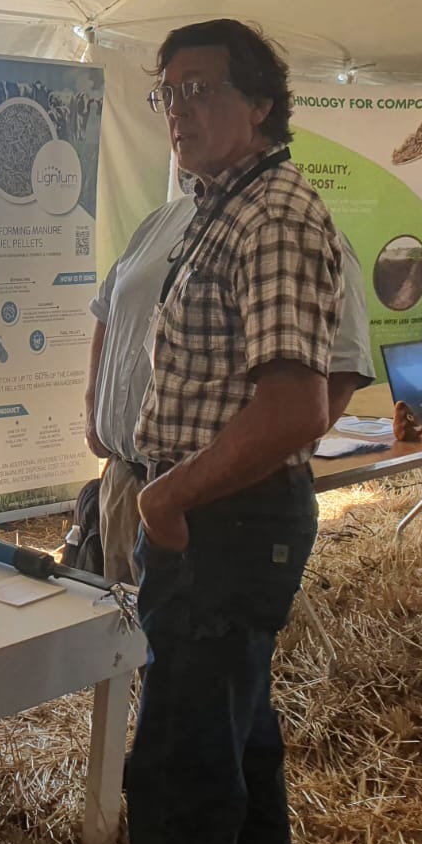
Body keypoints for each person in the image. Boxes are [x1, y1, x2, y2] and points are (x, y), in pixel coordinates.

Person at [55, 20, 344, 844]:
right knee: (236, 749)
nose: (179, 109)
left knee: (177, 770)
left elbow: (298, 404)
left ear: (261, 104)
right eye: (167, 92)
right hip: (211, 520)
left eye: (202, 89)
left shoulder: (274, 216)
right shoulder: (221, 205)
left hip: (226, 525)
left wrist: (171, 496)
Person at [86, 187, 374, 587]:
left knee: (201, 646)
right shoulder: (164, 219)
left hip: (216, 506)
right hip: (125, 484)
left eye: (197, 116)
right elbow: (107, 308)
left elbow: (338, 377)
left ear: (256, 120)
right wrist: (92, 413)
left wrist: (203, 484)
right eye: (168, 116)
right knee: (118, 642)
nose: (177, 122)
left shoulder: (298, 232)